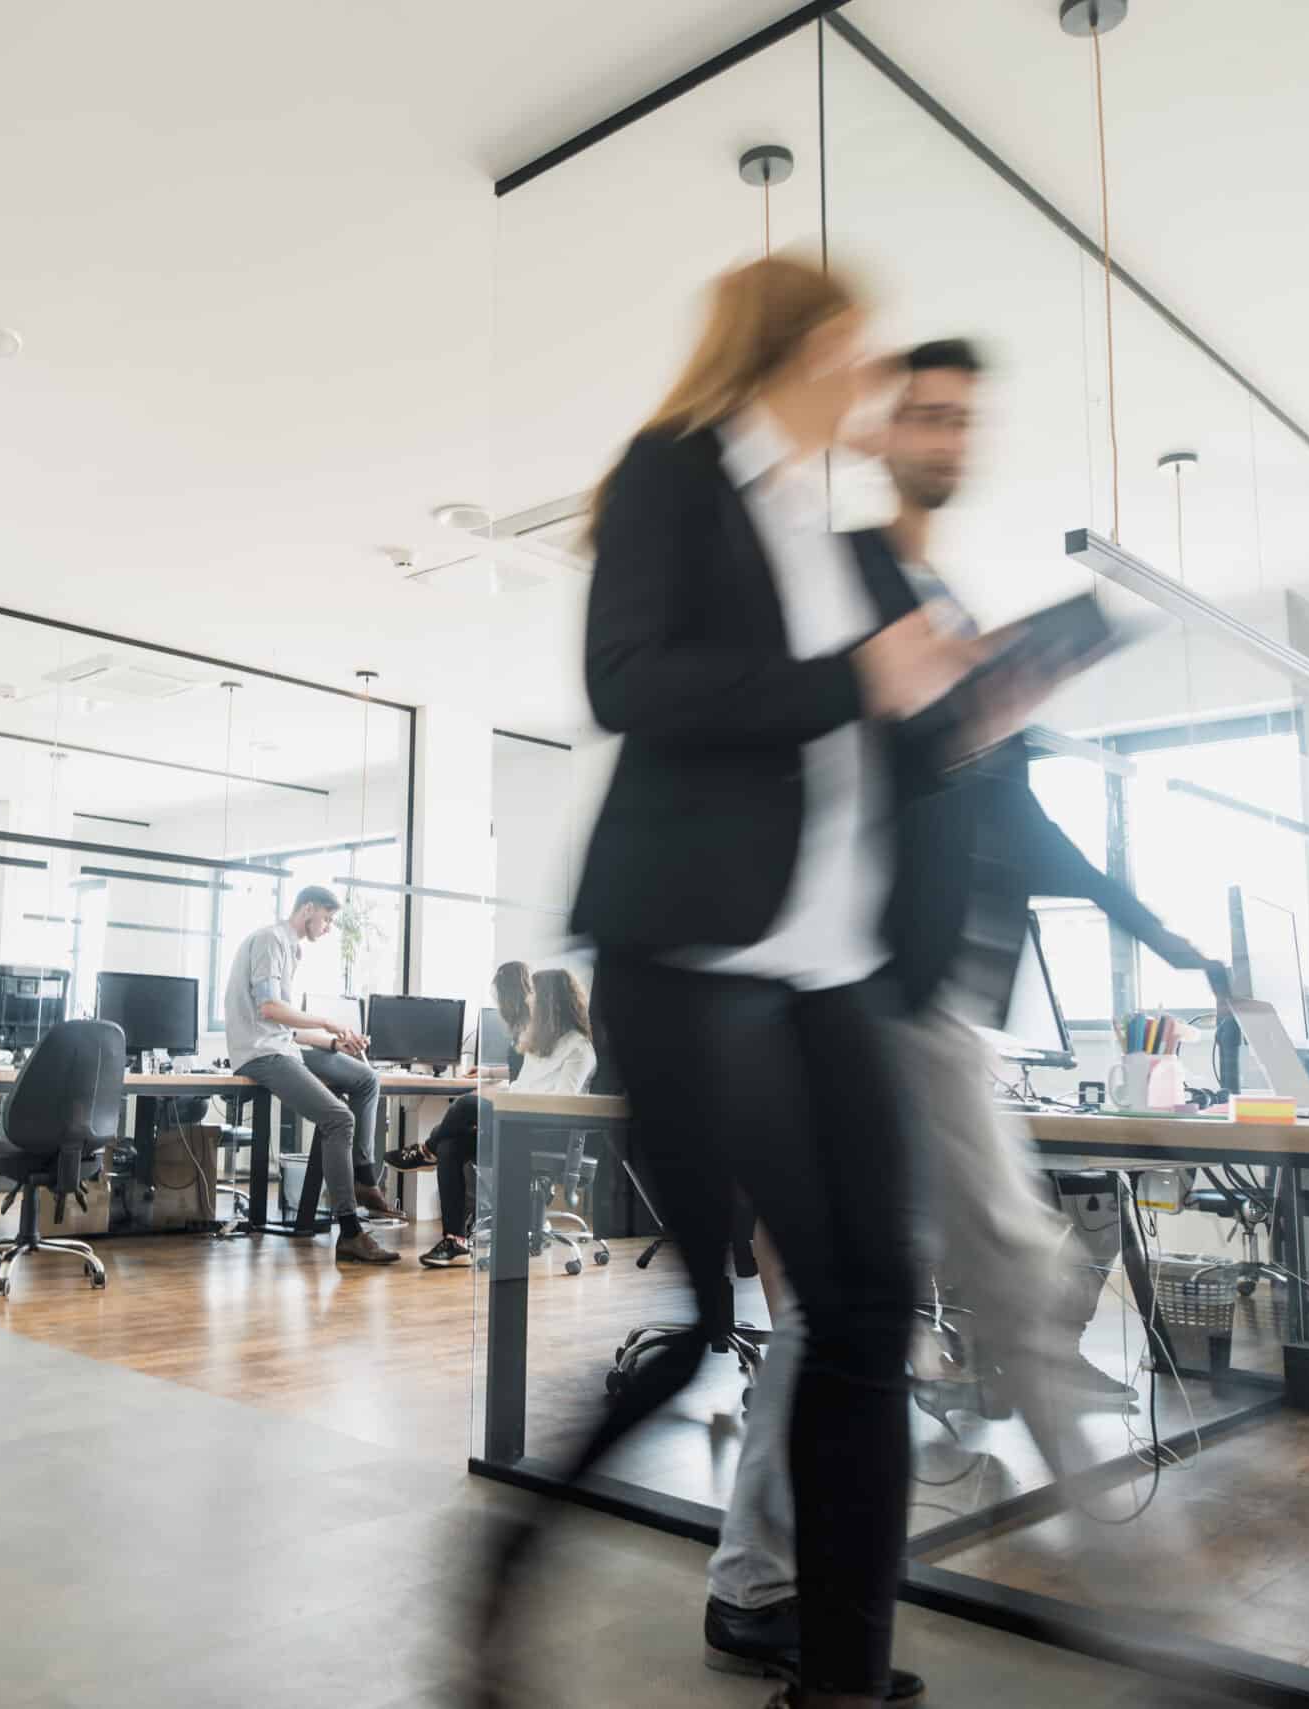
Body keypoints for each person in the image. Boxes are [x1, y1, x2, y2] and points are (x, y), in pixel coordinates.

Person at [469, 254, 981, 1709]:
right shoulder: (672, 474)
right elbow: (628, 682)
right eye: (856, 352)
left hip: (830, 969)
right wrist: (855, 681)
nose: (871, 384)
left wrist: (954, 703)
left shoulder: (819, 528)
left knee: (871, 1308)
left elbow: (849, 745)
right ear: (798, 346)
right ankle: (509, 1554)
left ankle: (841, 1678)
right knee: (706, 1319)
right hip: (692, 956)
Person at [700, 338, 1233, 1686]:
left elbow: (1028, 823)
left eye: (961, 417)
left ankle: (758, 1573)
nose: (945, 433)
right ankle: (1145, 1600)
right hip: (876, 991)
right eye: (923, 413)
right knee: (1005, 1265)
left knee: (868, 1299)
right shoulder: (864, 578)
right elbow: (857, 757)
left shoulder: (933, 593)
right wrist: (989, 682)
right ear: (883, 432)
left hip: (931, 1000)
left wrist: (1162, 933)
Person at [222, 885, 402, 1264]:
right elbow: (270, 1010)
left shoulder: (290, 948)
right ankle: (350, 1231)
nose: (329, 926)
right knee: (339, 1118)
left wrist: (333, 1042)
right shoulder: (271, 940)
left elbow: (285, 1027)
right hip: (260, 1054)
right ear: (308, 910)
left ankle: (364, 1178)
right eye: (328, 918)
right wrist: (327, 1022)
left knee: (366, 1079)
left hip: (281, 1045)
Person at [404, 965, 591, 1269]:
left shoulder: (579, 1048)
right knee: (451, 1147)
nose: (530, 1003)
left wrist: (498, 1103)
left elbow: (561, 1105)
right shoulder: (541, 1044)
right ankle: (456, 1242)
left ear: (554, 1003)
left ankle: (425, 1151)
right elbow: (523, 1086)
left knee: (466, 1105)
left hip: (542, 1134)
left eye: (537, 998)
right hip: (516, 1125)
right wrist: (500, 1099)